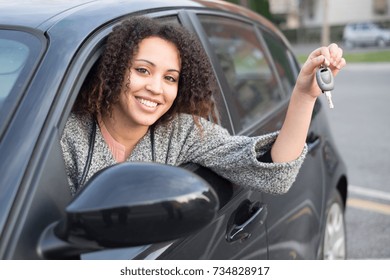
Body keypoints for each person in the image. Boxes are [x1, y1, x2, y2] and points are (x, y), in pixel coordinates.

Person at [61, 16, 346, 197]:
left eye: (170, 78)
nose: (156, 88)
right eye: (143, 71)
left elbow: (274, 174)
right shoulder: (66, 136)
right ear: (115, 70)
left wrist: (304, 95)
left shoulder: (179, 133)